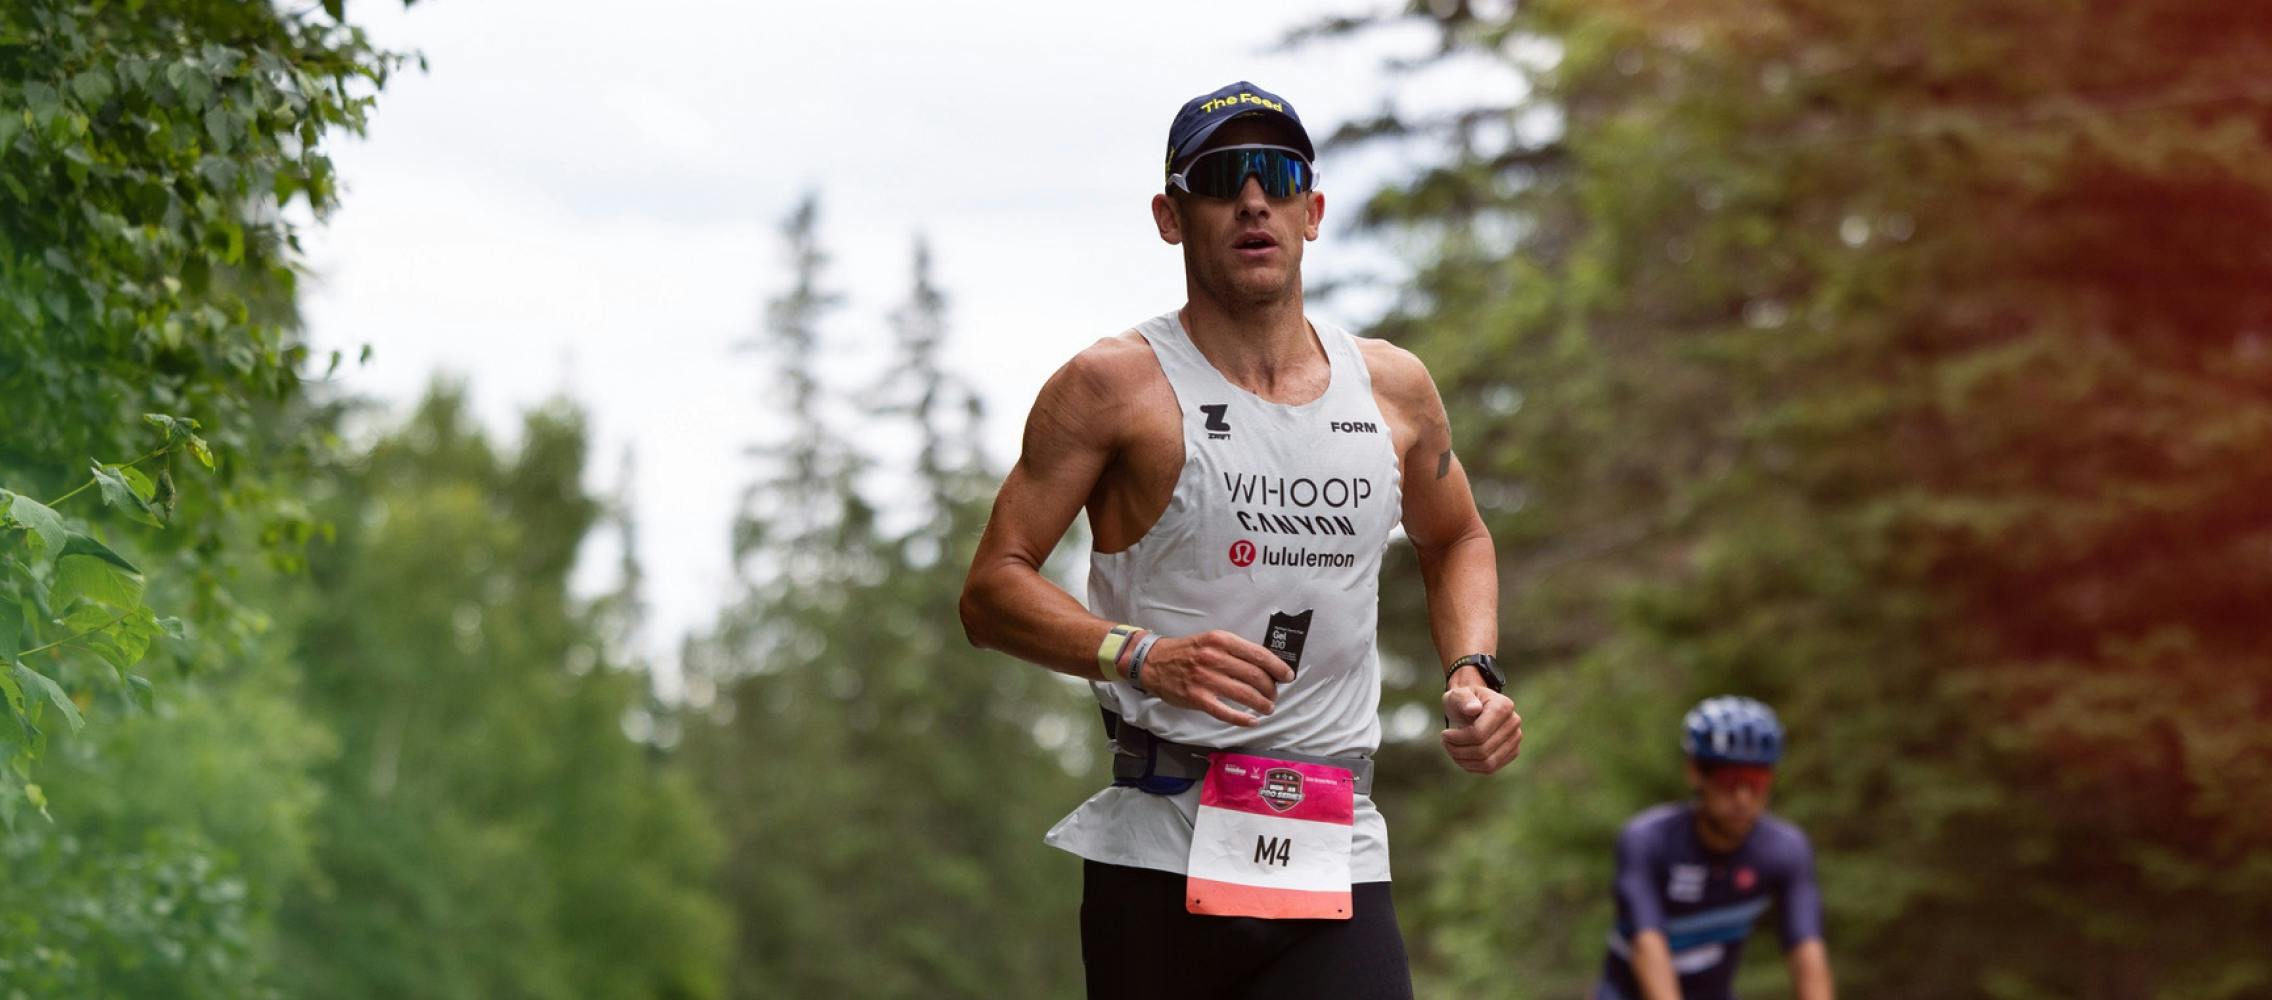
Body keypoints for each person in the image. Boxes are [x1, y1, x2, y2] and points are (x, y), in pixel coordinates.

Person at [959, 80, 1521, 999]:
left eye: (1278, 175)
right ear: (1170, 217)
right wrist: (1140, 656)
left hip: (1333, 847)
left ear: (1313, 211)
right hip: (1161, 847)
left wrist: (1473, 671)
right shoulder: (1113, 386)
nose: (1254, 199)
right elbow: (990, 591)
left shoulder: (1392, 388)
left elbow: (1457, 536)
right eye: (1222, 179)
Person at [1596, 696, 1835, 1000]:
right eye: (1729, 780)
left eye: (1757, 781)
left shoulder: (1784, 849)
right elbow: (1648, 944)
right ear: (1695, 773)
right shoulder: (1648, 840)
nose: (1743, 798)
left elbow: (1807, 951)